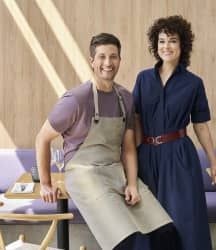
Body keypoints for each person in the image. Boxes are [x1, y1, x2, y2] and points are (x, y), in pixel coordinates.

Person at [36, 33, 179, 250]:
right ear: (91, 61)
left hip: (116, 172)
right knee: (124, 240)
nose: (108, 63)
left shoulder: (126, 98)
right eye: (101, 57)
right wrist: (46, 184)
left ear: (120, 60)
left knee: (166, 232)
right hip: (85, 174)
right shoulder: (75, 99)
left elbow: (129, 148)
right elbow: (42, 138)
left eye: (113, 57)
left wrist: (132, 183)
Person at [133, 15, 216, 250]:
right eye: (161, 41)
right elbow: (135, 120)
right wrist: (134, 157)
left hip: (179, 156)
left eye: (172, 41)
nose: (166, 47)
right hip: (146, 156)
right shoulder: (143, 79)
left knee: (185, 219)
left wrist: (213, 160)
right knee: (147, 220)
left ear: (182, 46)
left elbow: (200, 125)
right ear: (155, 45)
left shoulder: (193, 83)